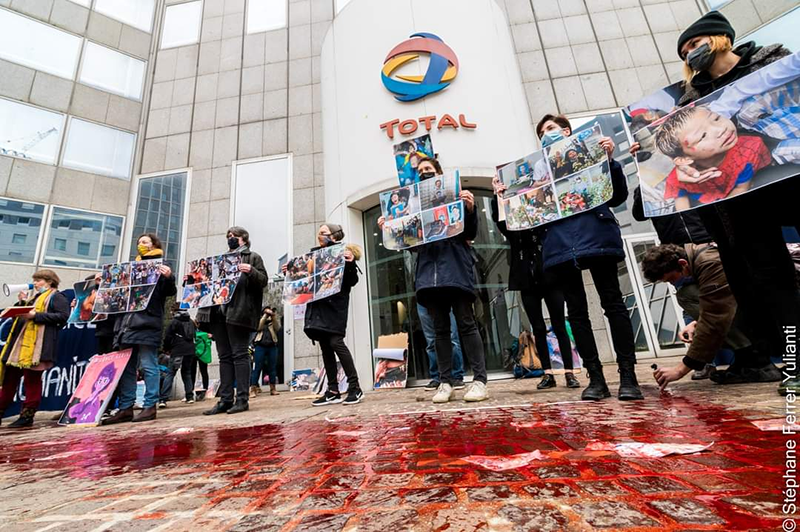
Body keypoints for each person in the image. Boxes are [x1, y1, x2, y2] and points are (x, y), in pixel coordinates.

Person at [674, 11, 800, 393]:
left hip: (791, 174)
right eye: (685, 51)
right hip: (744, 198)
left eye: (695, 43)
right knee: (775, 279)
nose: (692, 53)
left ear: (719, 38)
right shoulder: (690, 99)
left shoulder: (774, 61)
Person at [535, 114, 641, 401]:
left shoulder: (593, 155)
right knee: (577, 314)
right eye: (543, 132)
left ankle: (628, 375)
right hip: (559, 244)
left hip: (596, 235)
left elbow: (617, 196)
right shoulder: (538, 172)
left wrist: (609, 161)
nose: (548, 134)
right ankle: (595, 378)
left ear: (567, 131)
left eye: (552, 128)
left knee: (613, 304)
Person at [380, 156, 489, 404]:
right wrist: (392, 229)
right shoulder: (413, 206)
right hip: (429, 276)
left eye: (429, 169)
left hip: (456, 270)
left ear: (439, 173)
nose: (425, 173)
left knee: (466, 324)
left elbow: (470, 233)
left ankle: (480, 381)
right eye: (421, 171)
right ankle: (445, 382)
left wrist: (470, 210)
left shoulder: (456, 195)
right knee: (439, 331)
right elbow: (412, 247)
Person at [642, 243, 780, 389]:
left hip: (775, 314)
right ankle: (744, 358)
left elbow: (715, 317)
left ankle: (756, 360)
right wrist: (696, 322)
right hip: (759, 309)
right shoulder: (698, 260)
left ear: (682, 264)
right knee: (691, 303)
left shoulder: (710, 263)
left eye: (672, 279)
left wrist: (680, 369)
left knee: (686, 295)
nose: (672, 284)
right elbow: (720, 302)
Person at [491, 183, 580, 390]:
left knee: (559, 325)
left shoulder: (544, 225)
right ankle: (547, 373)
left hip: (551, 278)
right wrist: (499, 197)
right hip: (526, 281)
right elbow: (500, 220)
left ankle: (569, 372)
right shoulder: (514, 230)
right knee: (537, 328)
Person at [103, 234, 176, 424]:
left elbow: (169, 292)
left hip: (147, 322)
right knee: (127, 367)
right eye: (139, 242)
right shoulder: (130, 268)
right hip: (126, 324)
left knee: (148, 364)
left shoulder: (161, 266)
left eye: (145, 242)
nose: (141, 245)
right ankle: (126, 407)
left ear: (154, 245)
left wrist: (168, 277)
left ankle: (150, 405)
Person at [290, 224, 364, 405]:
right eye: (319, 233)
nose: (320, 236)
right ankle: (332, 390)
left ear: (335, 236)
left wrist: (350, 263)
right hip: (318, 308)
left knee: (336, 342)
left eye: (324, 233)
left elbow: (352, 281)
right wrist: (291, 272)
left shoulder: (343, 254)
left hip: (335, 308)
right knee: (325, 347)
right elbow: (304, 282)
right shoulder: (313, 256)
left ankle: (355, 387)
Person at [199, 227, 268, 415]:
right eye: (228, 236)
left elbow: (263, 281)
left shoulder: (252, 257)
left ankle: (242, 399)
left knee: (239, 355)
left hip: (239, 313)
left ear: (243, 239)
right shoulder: (219, 261)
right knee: (224, 357)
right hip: (219, 313)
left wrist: (251, 271)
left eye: (234, 236)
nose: (230, 239)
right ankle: (225, 399)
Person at [0, 270, 69, 428]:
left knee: (32, 380)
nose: (36, 283)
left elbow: (63, 316)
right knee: (9, 380)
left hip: (37, 347)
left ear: (50, 282)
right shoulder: (35, 297)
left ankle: (27, 416)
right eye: (35, 280)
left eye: (39, 280)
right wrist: (22, 303)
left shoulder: (57, 297)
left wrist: (35, 316)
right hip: (19, 347)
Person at [417, 303, 465, 390]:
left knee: (452, 338)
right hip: (423, 297)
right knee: (431, 341)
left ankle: (456, 376)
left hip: (443, 293)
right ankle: (437, 377)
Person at [159, 305, 198, 406]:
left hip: (177, 350)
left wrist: (166, 348)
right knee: (187, 373)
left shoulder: (174, 322)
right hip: (190, 351)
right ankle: (189, 396)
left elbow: (167, 337)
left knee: (170, 373)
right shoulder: (191, 322)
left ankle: (163, 399)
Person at [251, 306, 280, 397]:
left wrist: (273, 316)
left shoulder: (272, 322)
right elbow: (258, 327)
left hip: (272, 346)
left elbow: (278, 328)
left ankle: (273, 388)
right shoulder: (259, 320)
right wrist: (264, 316)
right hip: (260, 346)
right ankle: (253, 389)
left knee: (272, 368)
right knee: (257, 368)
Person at [193, 328, 212, 400]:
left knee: (192, 372)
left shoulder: (192, 333)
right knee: (204, 372)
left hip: (194, 353)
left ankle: (190, 391)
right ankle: (205, 388)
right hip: (203, 354)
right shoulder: (205, 333)